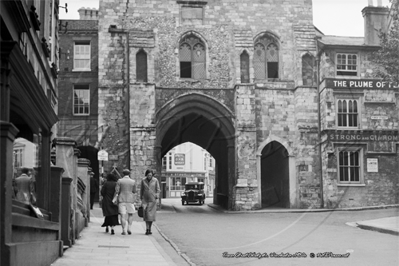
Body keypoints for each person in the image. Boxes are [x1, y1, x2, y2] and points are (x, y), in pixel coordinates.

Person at [115, 169, 137, 235]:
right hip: (130, 199)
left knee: (122, 215)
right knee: (130, 214)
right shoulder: (133, 181)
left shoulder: (120, 181)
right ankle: (129, 228)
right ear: (129, 174)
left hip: (122, 199)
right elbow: (134, 191)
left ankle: (123, 230)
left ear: (123, 174)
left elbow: (117, 190)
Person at [140, 169, 160, 235]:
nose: (149, 176)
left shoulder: (155, 180)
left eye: (150, 175)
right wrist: (141, 198)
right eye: (148, 175)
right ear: (146, 175)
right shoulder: (143, 180)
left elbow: (158, 189)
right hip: (145, 200)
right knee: (146, 215)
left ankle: (150, 228)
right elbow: (141, 190)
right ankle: (147, 228)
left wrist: (157, 196)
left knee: (151, 216)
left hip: (152, 200)